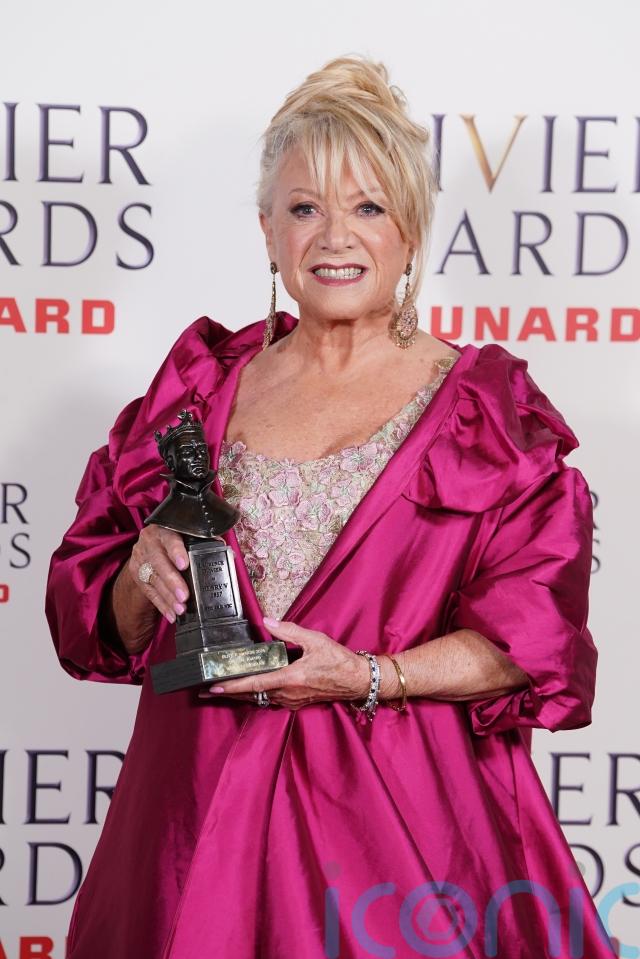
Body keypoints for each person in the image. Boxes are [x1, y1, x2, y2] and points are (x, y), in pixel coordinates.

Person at [45, 55, 616, 959]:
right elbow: (92, 625)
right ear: (268, 230)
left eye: (369, 207)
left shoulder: (489, 414)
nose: (334, 237)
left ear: (410, 230)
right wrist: (138, 572)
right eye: (305, 207)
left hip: (398, 839)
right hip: (191, 816)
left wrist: (365, 675)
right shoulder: (197, 388)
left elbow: (527, 643)